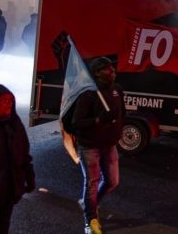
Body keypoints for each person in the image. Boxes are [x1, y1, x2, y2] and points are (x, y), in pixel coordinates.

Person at [71, 57, 126, 234]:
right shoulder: (88, 94)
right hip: (90, 146)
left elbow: (121, 114)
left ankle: (89, 204)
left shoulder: (117, 90)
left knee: (112, 181)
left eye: (113, 68)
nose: (113, 72)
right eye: (108, 69)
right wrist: (97, 120)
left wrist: (117, 132)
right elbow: (77, 122)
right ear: (96, 73)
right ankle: (90, 221)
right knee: (92, 183)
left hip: (109, 145)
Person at [0, 84, 35, 234]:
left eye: (11, 100)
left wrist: (29, 177)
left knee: (3, 227)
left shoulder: (15, 124)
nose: (9, 104)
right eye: (4, 100)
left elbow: (24, 155)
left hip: (8, 192)